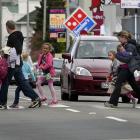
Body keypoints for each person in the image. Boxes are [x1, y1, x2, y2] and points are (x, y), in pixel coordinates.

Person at [0, 20, 41, 109]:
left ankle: (2, 103)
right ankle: (36, 98)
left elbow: (17, 49)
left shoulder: (13, 36)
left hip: (12, 64)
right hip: (18, 63)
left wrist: (6, 52)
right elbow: (18, 49)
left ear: (7, 27)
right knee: (22, 83)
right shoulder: (19, 35)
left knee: (5, 82)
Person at [104, 30, 140, 108]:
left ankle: (113, 102)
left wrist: (116, 55)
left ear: (124, 37)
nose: (119, 40)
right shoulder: (125, 45)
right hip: (128, 68)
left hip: (127, 68)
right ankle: (112, 102)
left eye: (119, 38)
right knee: (135, 86)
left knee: (118, 84)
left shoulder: (129, 46)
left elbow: (127, 59)